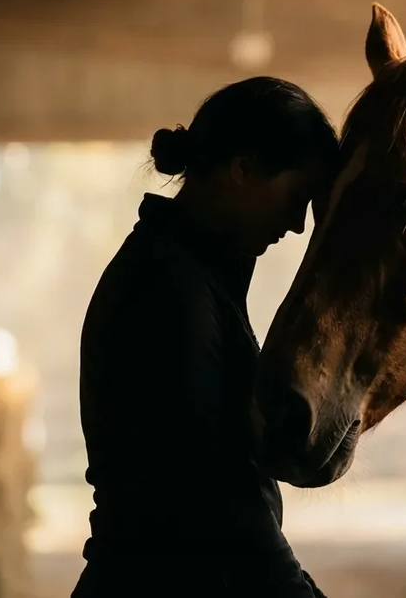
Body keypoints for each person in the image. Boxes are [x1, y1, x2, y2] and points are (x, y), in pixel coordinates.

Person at [72, 77, 339, 597]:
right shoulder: (170, 286)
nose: (298, 224)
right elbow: (214, 492)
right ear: (243, 170)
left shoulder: (189, 275)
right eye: (295, 197)